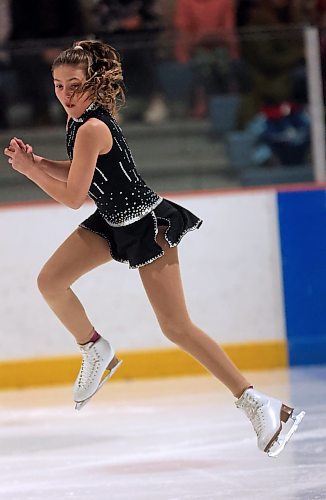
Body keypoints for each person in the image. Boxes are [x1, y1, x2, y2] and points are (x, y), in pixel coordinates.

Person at [4, 40, 305, 456]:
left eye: (74, 85)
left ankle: (261, 404)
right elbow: (81, 171)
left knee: (176, 326)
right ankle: (95, 349)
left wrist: (29, 172)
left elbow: (74, 196)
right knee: (50, 281)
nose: (65, 95)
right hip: (111, 222)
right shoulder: (79, 123)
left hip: (147, 225)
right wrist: (37, 163)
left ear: (94, 84)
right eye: (58, 85)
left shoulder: (92, 127)